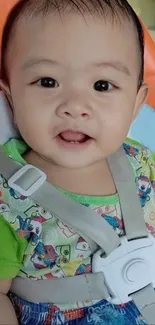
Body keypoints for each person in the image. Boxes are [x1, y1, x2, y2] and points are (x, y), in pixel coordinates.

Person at [0, 0, 153, 324]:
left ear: (136, 104)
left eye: (102, 85)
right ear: (11, 96)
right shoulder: (6, 200)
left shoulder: (144, 163)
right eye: (47, 82)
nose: (75, 106)